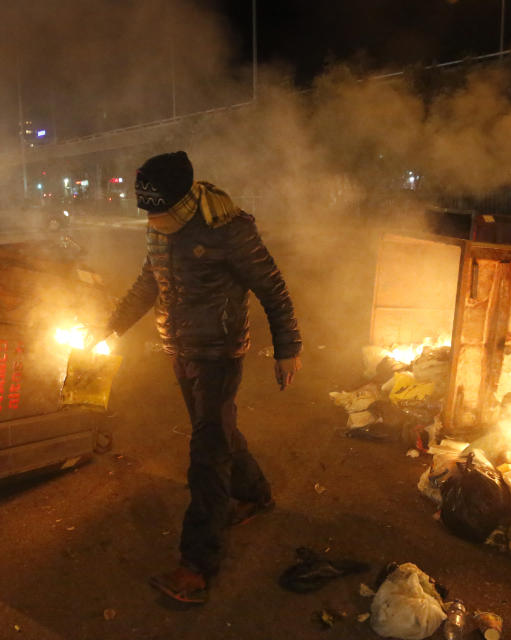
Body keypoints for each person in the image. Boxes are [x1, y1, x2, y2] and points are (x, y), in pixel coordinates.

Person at [96, 151, 302, 604]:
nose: (154, 220)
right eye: (148, 212)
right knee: (215, 431)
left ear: (185, 199)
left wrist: (287, 349)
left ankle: (196, 567)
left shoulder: (229, 229)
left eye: (161, 211)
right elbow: (147, 284)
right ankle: (255, 492)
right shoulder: (158, 230)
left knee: (206, 455)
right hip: (180, 348)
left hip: (218, 353)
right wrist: (109, 327)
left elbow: (273, 286)